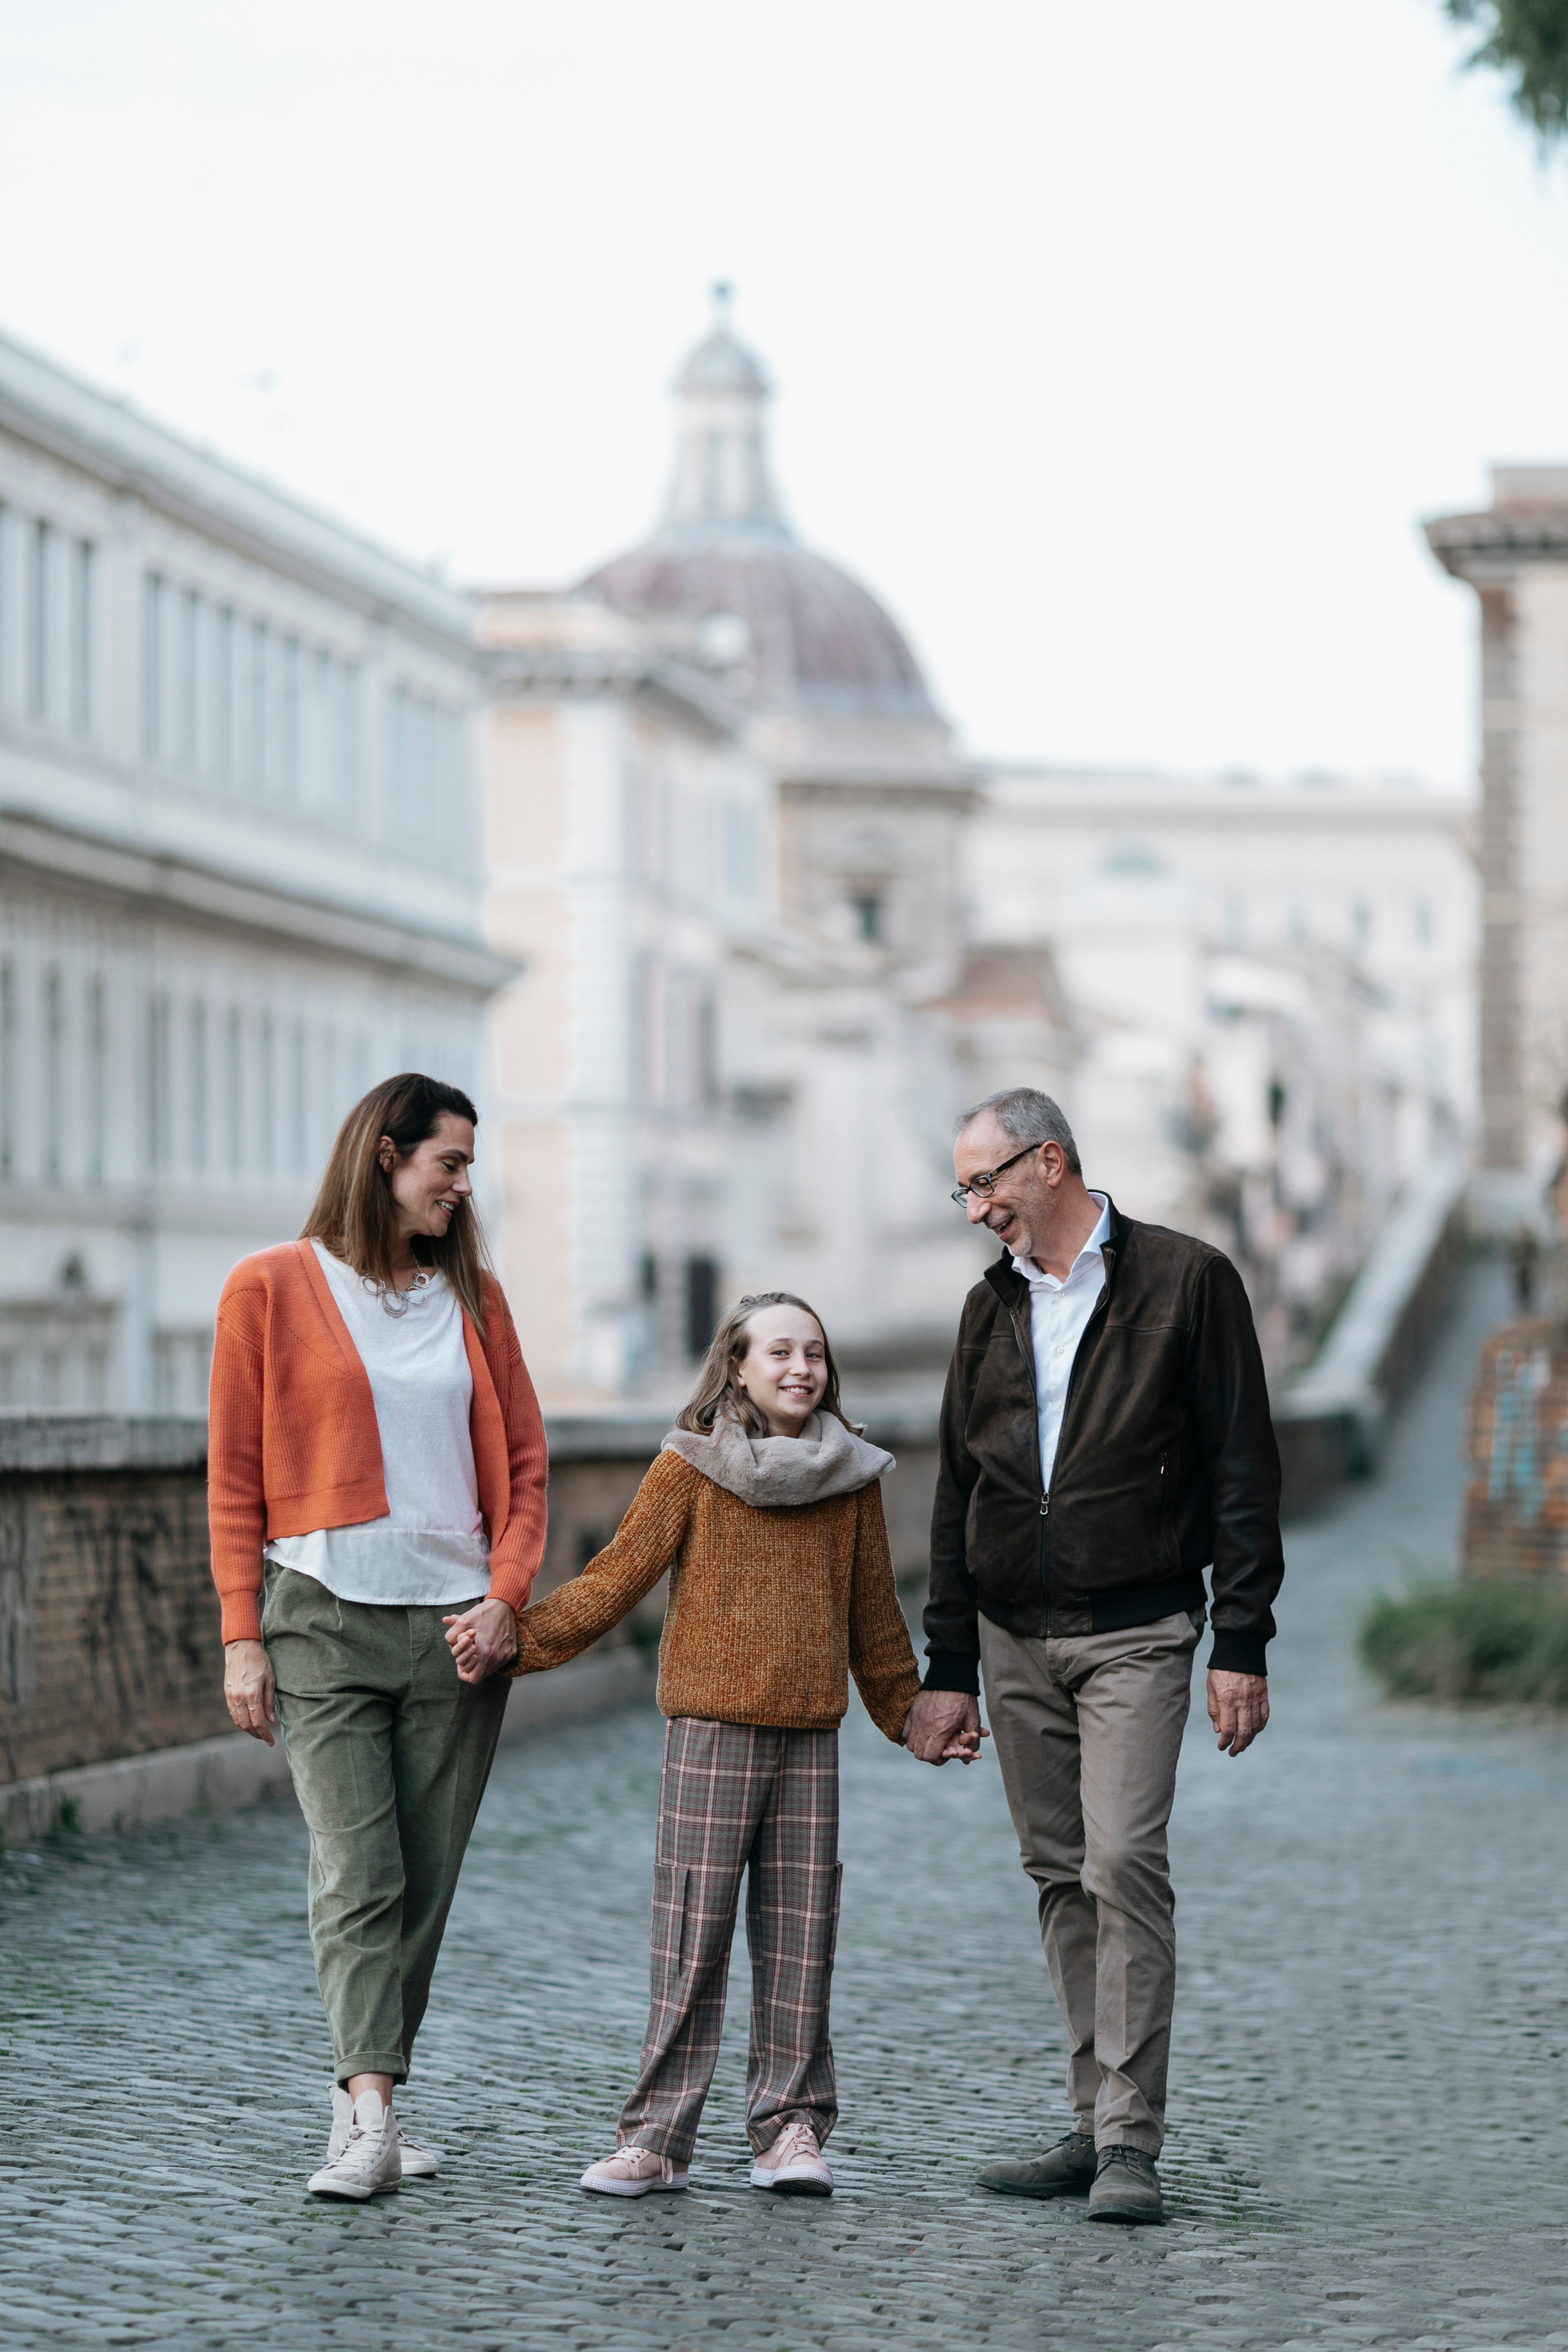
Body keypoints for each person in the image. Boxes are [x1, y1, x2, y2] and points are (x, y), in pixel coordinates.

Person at [483, 1291, 960, 2200]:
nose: (801, 1368)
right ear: (735, 1366)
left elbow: (875, 1622)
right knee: (690, 1941)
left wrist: (912, 1716)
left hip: (807, 1743)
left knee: (799, 1941)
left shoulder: (851, 1480)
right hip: (709, 1736)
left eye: (814, 1352)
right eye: (779, 1351)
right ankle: (656, 2140)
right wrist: (518, 1640)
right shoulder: (690, 1471)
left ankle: (789, 2133)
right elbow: (613, 1581)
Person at [903, 1087, 1283, 2226]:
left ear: (1050, 1163)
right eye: (964, 1188)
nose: (975, 1209)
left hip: (1139, 1630)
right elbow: (958, 1488)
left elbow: (1242, 1468)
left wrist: (1242, 1638)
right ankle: (1091, 2121)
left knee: (1124, 1864)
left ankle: (1130, 2140)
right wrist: (949, 1665)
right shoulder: (989, 1309)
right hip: (1018, 1635)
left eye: (985, 1184)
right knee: (1061, 1876)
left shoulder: (1188, 1281)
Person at [209, 1072, 547, 2200]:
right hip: (319, 1619)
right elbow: (235, 1481)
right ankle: (367, 2116)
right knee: (357, 1869)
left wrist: (506, 1596)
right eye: (448, 1163)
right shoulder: (267, 1289)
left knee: (424, 1878)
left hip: (457, 1630)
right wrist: (240, 1636)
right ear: (385, 1156)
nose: (463, 1185)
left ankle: (374, 2098)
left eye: (466, 1167)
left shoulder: (476, 1300)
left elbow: (528, 1471)